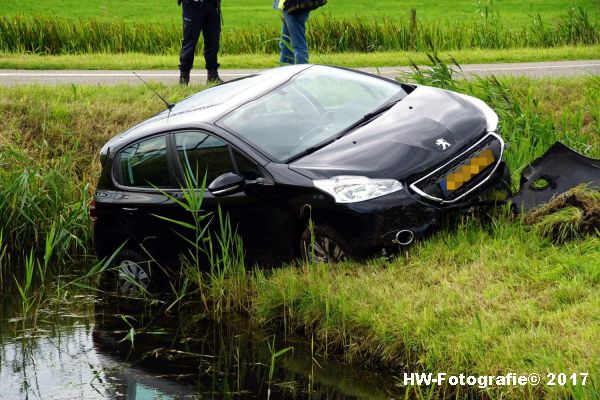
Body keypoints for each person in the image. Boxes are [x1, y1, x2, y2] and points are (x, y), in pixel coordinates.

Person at [178, 0, 223, 85]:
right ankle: (184, 78)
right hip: (192, 5)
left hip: (212, 5)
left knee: (213, 43)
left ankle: (212, 76)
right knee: (189, 43)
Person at [274, 0, 326, 65]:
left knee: (298, 46)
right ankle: (286, 71)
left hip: (294, 8)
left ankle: (300, 72)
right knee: (285, 44)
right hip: (289, 6)